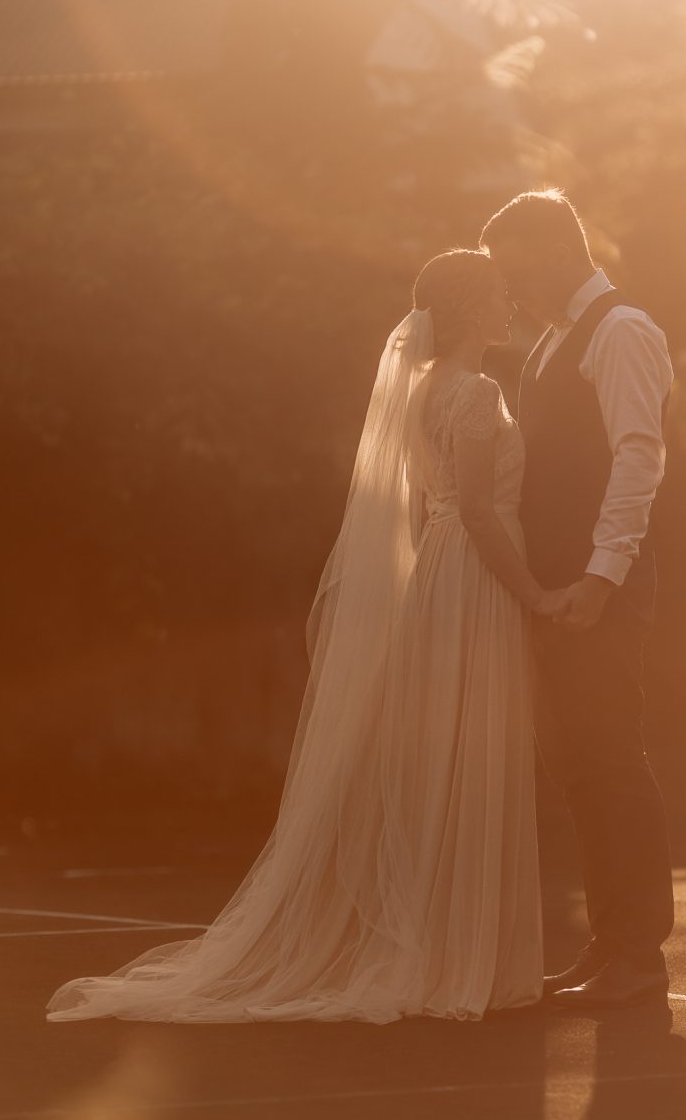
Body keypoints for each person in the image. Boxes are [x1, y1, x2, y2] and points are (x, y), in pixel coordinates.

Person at [45, 249, 568, 1025]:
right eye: (497, 294)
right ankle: (471, 965)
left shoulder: (425, 392)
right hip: (477, 580)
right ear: (464, 311)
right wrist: (534, 594)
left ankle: (454, 955)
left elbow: (442, 503)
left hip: (440, 573)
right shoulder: (480, 392)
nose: (511, 305)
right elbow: (485, 515)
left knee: (450, 760)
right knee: (476, 756)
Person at [480, 189, 675, 1011]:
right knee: (577, 767)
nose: (513, 292)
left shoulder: (623, 330)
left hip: (597, 584)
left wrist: (601, 577)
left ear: (560, 252)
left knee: (610, 760)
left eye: (519, 273)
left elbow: (638, 456)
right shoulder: (556, 336)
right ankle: (609, 944)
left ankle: (641, 955)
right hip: (555, 584)